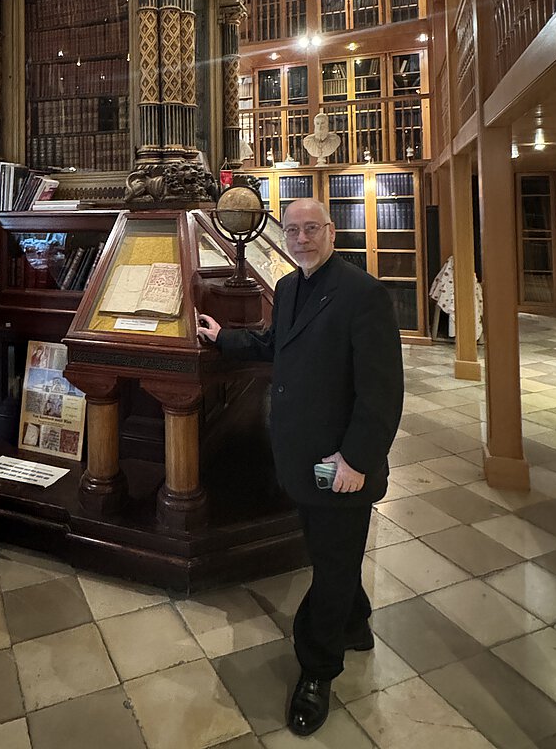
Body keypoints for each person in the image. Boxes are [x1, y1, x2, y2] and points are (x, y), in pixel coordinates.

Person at [197, 197, 403, 737]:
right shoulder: (288, 287)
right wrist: (224, 337)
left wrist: (358, 458)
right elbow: (273, 344)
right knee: (330, 549)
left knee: (331, 565)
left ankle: (317, 669)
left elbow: (382, 393)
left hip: (341, 462)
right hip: (301, 459)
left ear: (331, 232)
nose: (302, 238)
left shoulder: (364, 294)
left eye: (312, 228)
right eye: (293, 230)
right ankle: (355, 623)